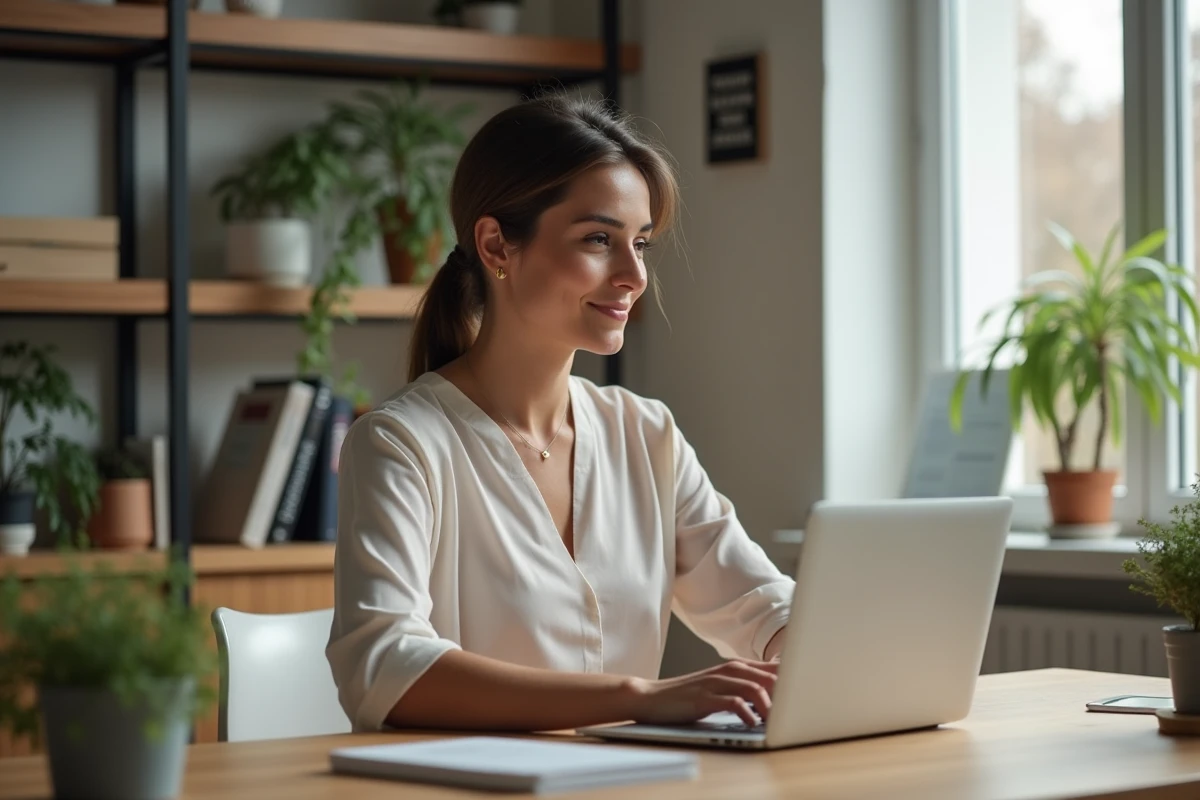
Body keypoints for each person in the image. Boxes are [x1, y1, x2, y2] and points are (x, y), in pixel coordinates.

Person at [325, 92, 795, 735]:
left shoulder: (644, 432)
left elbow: (757, 601)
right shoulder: (401, 444)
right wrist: (638, 696)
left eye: (641, 244)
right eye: (599, 239)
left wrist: (806, 650)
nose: (633, 275)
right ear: (496, 246)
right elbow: (384, 666)